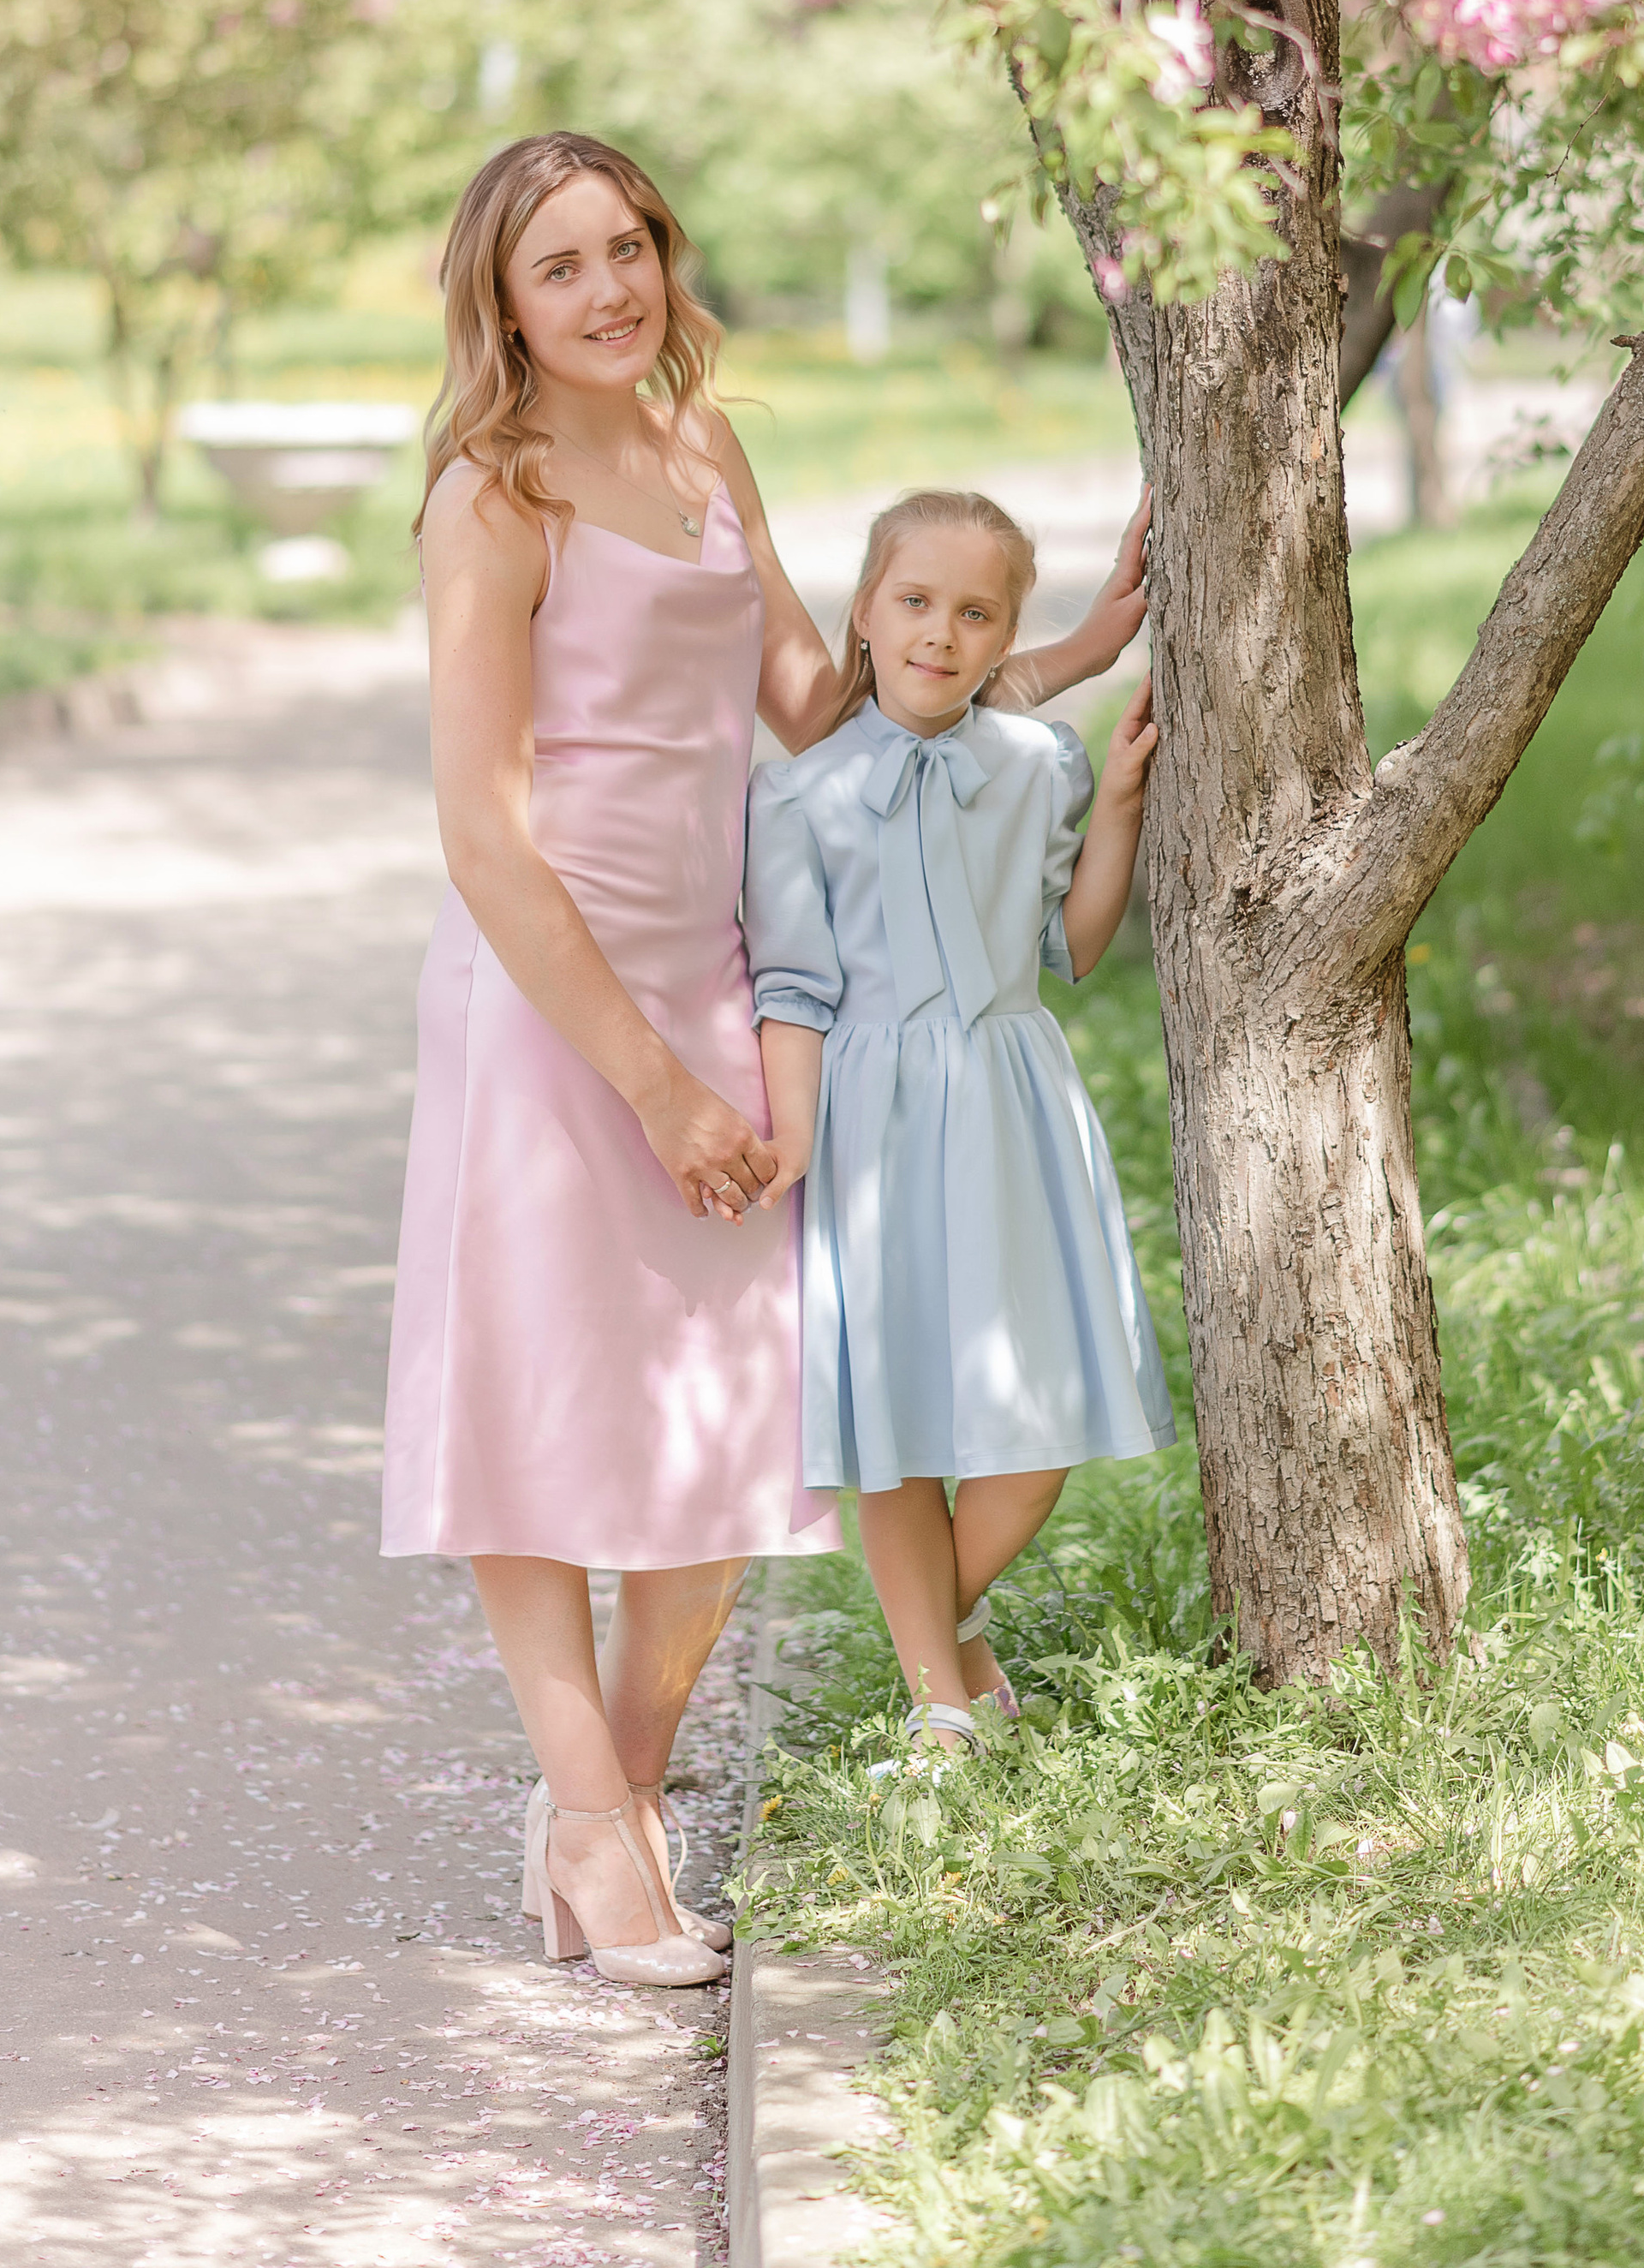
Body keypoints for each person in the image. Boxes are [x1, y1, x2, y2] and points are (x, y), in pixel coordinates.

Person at [380, 136, 1150, 1982]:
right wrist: (651, 1082)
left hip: (719, 970)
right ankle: (594, 1823)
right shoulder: (487, 500)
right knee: (531, 1410)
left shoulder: (702, 447)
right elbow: (483, 836)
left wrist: (1069, 655)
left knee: (736, 1424)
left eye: (627, 247)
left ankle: (616, 1798)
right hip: (550, 1002)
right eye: (559, 266)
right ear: (503, 302)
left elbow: (818, 703)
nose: (607, 290)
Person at [742, 488, 1176, 1762]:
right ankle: (944, 1707)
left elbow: (1072, 947)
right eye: (916, 601)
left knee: (1029, 1438)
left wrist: (1120, 807)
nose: (941, 632)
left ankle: (949, 1626)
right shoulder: (799, 795)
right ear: (865, 614)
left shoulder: (1041, 765)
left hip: (1005, 1107)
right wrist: (794, 1145)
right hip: (867, 1124)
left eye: (976, 613)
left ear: (1005, 635)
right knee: (898, 1431)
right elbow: (792, 992)